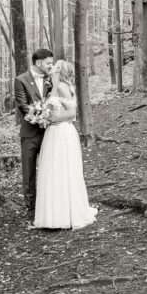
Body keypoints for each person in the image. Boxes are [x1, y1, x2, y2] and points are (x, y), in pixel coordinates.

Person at [33, 60, 96, 230]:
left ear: (60, 72)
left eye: (55, 68)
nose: (52, 69)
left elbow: (71, 113)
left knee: (61, 169)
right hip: (57, 132)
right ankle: (56, 214)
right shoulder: (60, 86)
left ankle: (63, 215)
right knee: (56, 170)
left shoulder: (61, 87)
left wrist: (49, 118)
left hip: (60, 131)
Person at [13, 48, 54, 222]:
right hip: (29, 133)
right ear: (39, 62)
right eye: (48, 63)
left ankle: (49, 207)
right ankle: (31, 209)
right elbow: (23, 105)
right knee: (29, 172)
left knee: (49, 169)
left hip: (49, 133)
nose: (51, 66)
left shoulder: (51, 79)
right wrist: (41, 117)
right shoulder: (21, 80)